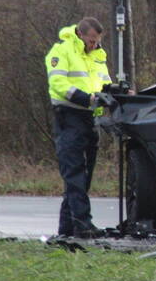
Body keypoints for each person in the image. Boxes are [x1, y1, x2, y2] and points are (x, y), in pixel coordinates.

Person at [45, 17, 113, 238]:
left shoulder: (97, 55)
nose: (93, 45)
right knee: (75, 175)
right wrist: (88, 99)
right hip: (69, 117)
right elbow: (58, 84)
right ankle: (83, 225)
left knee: (82, 178)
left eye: (96, 41)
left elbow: (104, 83)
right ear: (80, 34)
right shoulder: (61, 51)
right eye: (90, 41)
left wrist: (115, 94)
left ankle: (67, 231)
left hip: (90, 119)